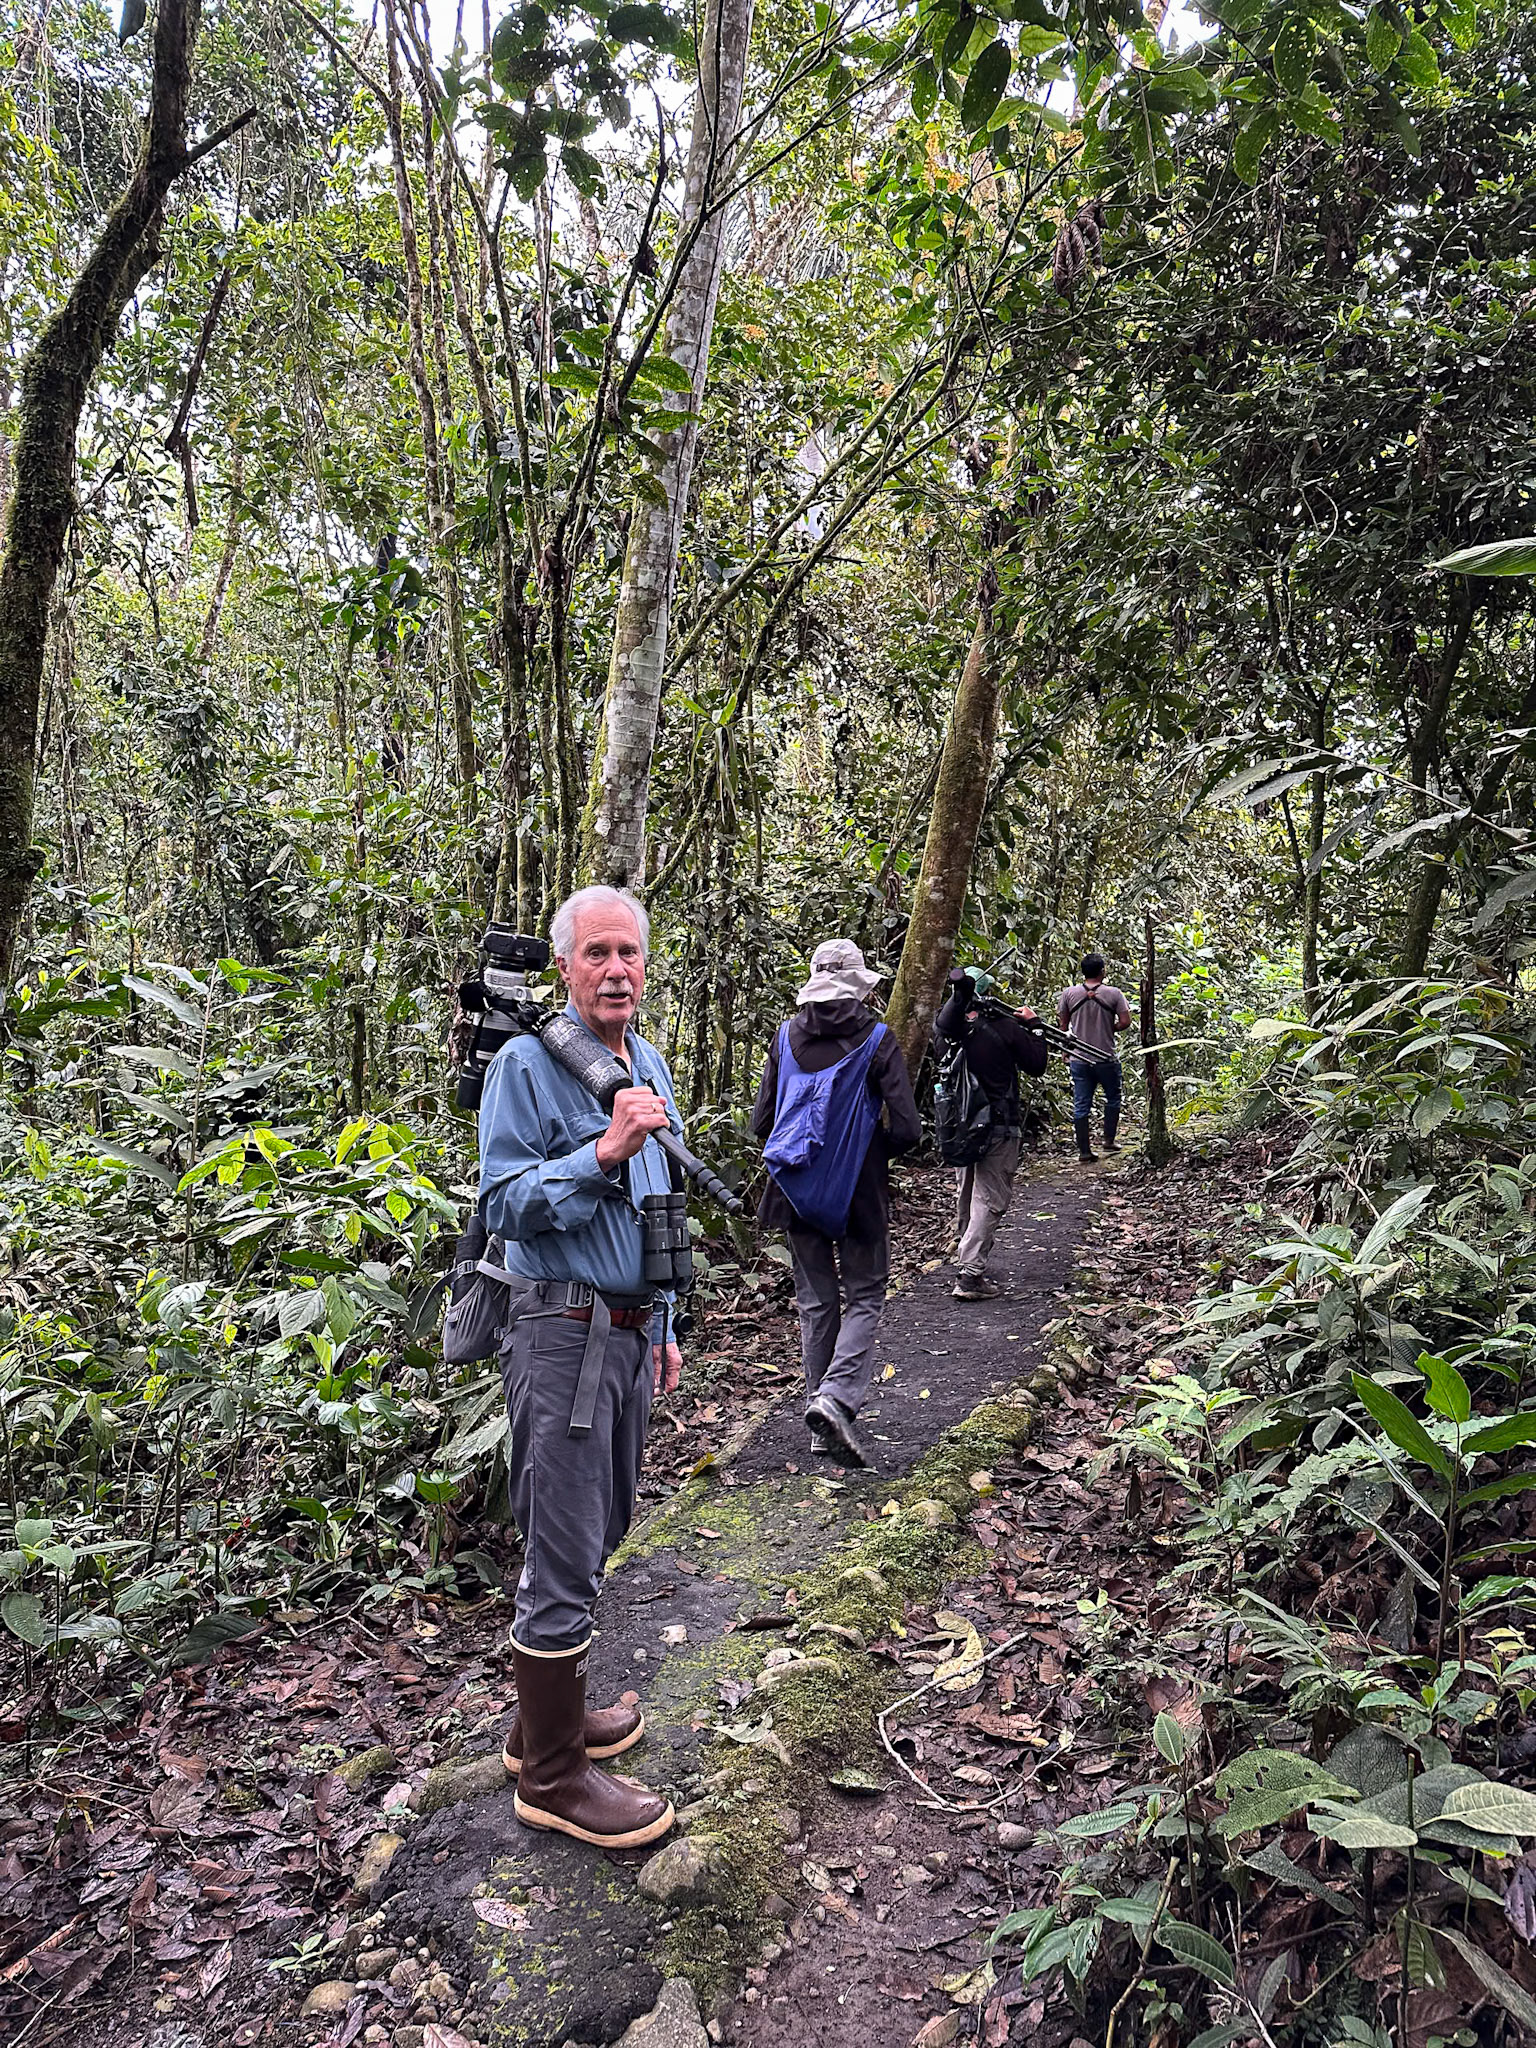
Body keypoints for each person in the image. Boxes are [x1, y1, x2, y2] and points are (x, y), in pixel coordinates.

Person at [477, 884, 682, 1850]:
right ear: (565, 968)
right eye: (595, 953)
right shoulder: (526, 1065)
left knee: (603, 1524)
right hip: (559, 1329)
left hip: (630, 1331)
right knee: (562, 1541)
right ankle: (554, 1778)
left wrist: (667, 1323)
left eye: (628, 954)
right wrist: (603, 1148)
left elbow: (661, 1206)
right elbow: (507, 1204)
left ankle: (540, 1726)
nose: (615, 970)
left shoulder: (650, 1062)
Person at [752, 938, 920, 1468]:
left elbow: (762, 1124)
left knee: (817, 1302)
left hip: (794, 1192)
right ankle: (836, 1398)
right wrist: (869, 1150)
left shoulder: (784, 1036)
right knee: (866, 1294)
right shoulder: (877, 1039)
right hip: (859, 1195)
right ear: (858, 985)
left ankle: (821, 1429)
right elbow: (909, 1128)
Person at [936, 967, 1049, 1301]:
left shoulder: (944, 1030)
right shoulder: (1004, 1026)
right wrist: (1036, 1026)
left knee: (967, 1191)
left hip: (958, 1125)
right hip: (999, 1123)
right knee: (989, 1198)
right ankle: (969, 1273)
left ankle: (966, 1253)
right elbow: (1037, 1064)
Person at [1057, 951, 1132, 1162]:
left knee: (1081, 1103)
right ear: (1102, 971)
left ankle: (1084, 1151)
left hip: (1079, 1058)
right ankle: (1109, 1140)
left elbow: (1063, 1027)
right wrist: (1109, 1028)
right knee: (1113, 1098)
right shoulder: (1114, 993)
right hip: (1105, 1057)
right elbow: (1126, 1022)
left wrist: (1066, 1051)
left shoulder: (1069, 994)